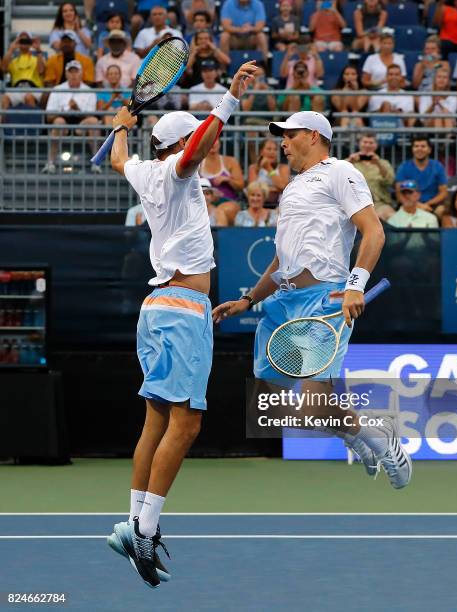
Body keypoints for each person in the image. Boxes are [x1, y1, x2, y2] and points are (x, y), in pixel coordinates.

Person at [106, 61, 258, 589]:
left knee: (155, 422)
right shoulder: (176, 169)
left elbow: (119, 157)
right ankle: (143, 529)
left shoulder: (143, 170)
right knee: (186, 424)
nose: (202, 146)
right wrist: (229, 101)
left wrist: (121, 122)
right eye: (194, 140)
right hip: (181, 311)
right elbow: (195, 151)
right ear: (181, 145)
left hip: (157, 312)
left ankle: (134, 523)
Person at [213, 110, 412, 491]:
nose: (282, 143)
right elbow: (280, 259)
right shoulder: (291, 189)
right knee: (270, 405)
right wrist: (248, 300)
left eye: (289, 135)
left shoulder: (341, 172)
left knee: (313, 405)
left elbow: (374, 232)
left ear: (313, 135)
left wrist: (356, 285)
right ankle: (359, 437)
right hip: (283, 303)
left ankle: (380, 439)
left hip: (325, 299)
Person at [42, 61, 99, 174]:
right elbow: (49, 116)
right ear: (66, 74)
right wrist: (64, 110)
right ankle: (50, 162)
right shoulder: (57, 89)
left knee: (93, 121)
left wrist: (77, 109)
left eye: (76, 71)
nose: (73, 75)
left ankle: (96, 162)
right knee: (58, 121)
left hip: (81, 124)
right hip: (62, 122)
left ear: (81, 73)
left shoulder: (89, 91)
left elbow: (92, 114)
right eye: (70, 72)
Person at [395, 136, 448, 215]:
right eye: (416, 146)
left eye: (423, 146)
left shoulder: (438, 166)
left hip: (432, 205)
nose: (419, 149)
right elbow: (399, 193)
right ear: (412, 149)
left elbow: (443, 192)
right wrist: (417, 205)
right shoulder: (404, 167)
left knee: (442, 210)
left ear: (429, 150)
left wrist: (427, 204)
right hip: (409, 204)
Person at [347, 133, 395, 220]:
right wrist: (349, 161)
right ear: (359, 144)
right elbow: (337, 176)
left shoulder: (383, 163)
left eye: (371, 143)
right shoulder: (350, 162)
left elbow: (389, 182)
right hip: (354, 202)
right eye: (365, 142)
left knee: (391, 216)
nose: (368, 145)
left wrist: (378, 164)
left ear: (376, 145)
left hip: (379, 203)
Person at [199, 138, 244, 222]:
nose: (213, 143)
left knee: (220, 211)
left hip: (227, 201)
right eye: (210, 140)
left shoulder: (231, 161)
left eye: (215, 140)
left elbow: (241, 186)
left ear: (219, 142)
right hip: (204, 201)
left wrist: (228, 180)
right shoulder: (198, 163)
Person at [1, 32, 45, 112]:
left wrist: (38, 50)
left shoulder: (37, 58)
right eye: (22, 41)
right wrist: (11, 49)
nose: (24, 43)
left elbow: (41, 70)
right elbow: (3, 69)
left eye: (26, 41)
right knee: (5, 98)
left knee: (28, 97)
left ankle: (33, 123)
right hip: (17, 89)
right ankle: (3, 124)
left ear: (30, 43)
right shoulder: (13, 61)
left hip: (34, 89)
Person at [248, 138, 290, 205]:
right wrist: (275, 189)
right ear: (261, 152)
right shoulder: (253, 168)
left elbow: (283, 187)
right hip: (259, 204)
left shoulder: (283, 168)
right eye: (269, 149)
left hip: (278, 204)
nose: (272, 152)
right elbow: (252, 189)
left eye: (275, 149)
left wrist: (269, 169)